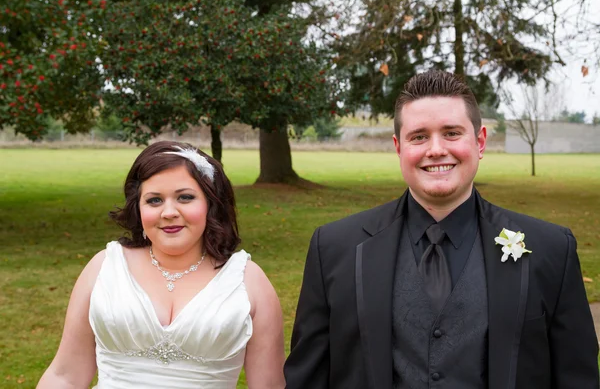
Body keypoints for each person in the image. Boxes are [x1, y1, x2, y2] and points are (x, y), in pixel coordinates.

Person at [284, 70, 599, 389]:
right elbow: (307, 379)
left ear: (480, 142)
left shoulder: (552, 250)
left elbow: (578, 378)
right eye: (419, 136)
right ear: (398, 147)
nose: (435, 149)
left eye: (451, 133)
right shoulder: (334, 248)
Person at [38, 141, 285, 389]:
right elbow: (65, 376)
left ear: (211, 204)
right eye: (154, 200)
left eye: (185, 197)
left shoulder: (248, 281)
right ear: (138, 207)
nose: (168, 212)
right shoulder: (104, 267)